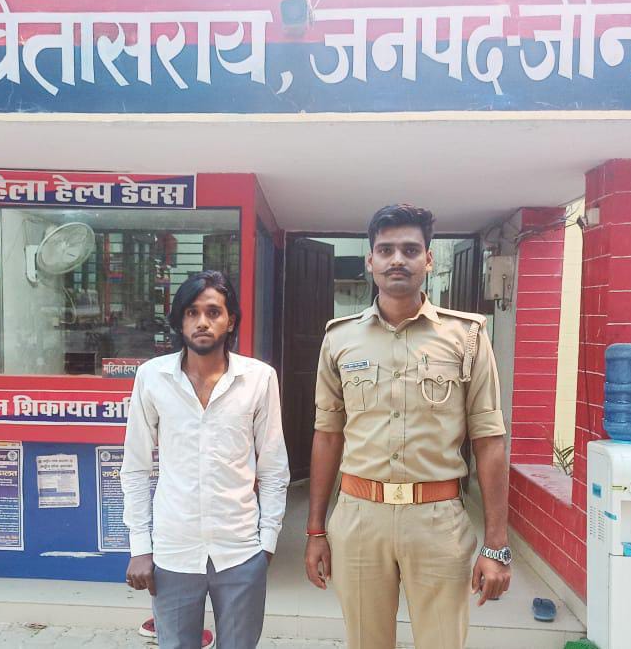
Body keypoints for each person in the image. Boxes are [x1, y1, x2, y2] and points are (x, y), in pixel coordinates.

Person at [303, 205, 511, 649]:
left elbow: (489, 439)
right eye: (386, 250)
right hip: (359, 517)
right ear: (370, 261)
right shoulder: (339, 338)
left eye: (410, 250)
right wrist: (316, 530)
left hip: (437, 520)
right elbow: (328, 434)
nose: (397, 259)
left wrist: (496, 544)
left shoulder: (466, 336)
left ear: (428, 259)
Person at [121, 270, 290, 649]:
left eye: (213, 312)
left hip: (240, 549)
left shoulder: (259, 379)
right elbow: (135, 468)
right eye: (191, 312)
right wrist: (140, 547)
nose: (202, 321)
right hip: (174, 550)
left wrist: (267, 542)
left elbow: (274, 467)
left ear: (230, 321)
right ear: (179, 321)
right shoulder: (152, 377)